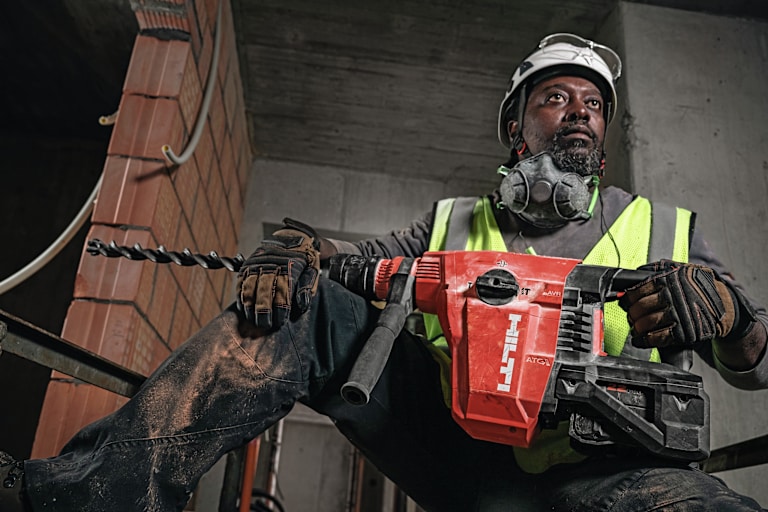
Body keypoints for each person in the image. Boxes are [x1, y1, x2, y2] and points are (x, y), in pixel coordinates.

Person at [2, 33, 767, 512]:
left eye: (593, 105)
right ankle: (83, 499)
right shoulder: (451, 225)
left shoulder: (661, 230)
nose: (578, 112)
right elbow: (350, 270)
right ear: (515, 126)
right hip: (453, 451)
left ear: (602, 134)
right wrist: (299, 250)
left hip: (608, 477)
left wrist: (731, 319)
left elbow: (755, 365)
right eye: (554, 98)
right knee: (304, 305)